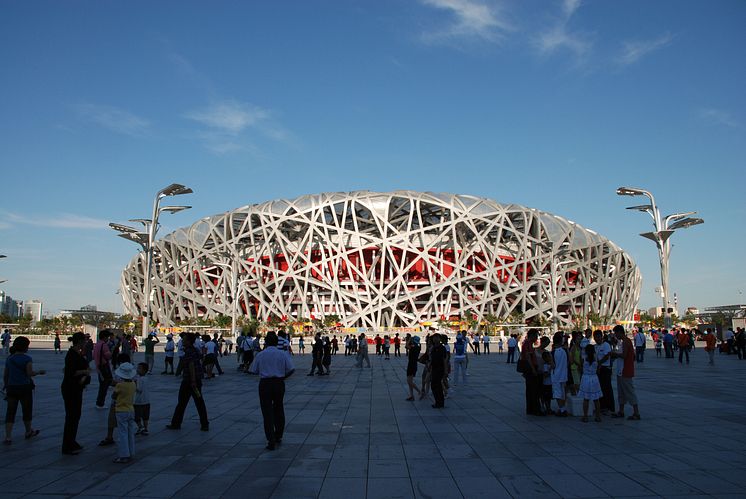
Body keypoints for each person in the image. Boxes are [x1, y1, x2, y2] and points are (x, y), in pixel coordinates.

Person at [248, 331, 295, 450]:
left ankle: (271, 439)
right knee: (279, 408)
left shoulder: (261, 355)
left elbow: (253, 370)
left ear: (266, 342)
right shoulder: (282, 354)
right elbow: (291, 369)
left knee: (267, 412)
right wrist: (283, 377)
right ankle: (278, 435)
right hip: (279, 383)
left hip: (265, 384)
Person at [3, 336, 45, 444]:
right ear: (25, 347)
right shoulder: (27, 359)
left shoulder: (10, 358)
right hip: (24, 388)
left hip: (12, 387)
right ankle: (28, 431)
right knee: (26, 410)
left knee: (10, 412)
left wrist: (6, 385)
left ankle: (8, 436)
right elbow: (29, 373)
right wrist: (39, 372)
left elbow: (6, 374)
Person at [166, 333, 209, 431]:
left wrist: (193, 380)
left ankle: (176, 423)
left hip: (189, 381)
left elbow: (191, 366)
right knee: (199, 402)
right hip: (196, 380)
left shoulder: (189, 351)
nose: (182, 341)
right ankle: (204, 424)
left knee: (182, 402)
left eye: (184, 340)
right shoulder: (195, 350)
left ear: (189, 341)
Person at [61, 332, 91, 455]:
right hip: (71, 388)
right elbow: (70, 372)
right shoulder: (72, 355)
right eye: (84, 340)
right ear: (79, 341)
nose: (86, 342)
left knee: (75, 416)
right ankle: (67, 445)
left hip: (76, 388)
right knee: (72, 416)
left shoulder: (77, 353)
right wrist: (85, 371)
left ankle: (72, 441)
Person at [611, 325, 641, 420]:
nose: (616, 335)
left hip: (625, 371)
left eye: (616, 333)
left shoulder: (626, 342)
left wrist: (614, 354)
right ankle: (621, 411)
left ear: (620, 332)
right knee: (621, 392)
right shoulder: (623, 342)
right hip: (621, 370)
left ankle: (636, 413)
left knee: (629, 391)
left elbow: (624, 355)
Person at [111, 362, 137, 463]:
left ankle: (123, 455)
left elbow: (114, 396)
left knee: (122, 433)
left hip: (121, 410)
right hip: (131, 409)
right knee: (130, 432)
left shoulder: (120, 385)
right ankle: (131, 452)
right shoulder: (133, 384)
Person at [520, 329, 542, 416]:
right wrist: (533, 369)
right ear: (532, 335)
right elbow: (528, 358)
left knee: (530, 389)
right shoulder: (528, 344)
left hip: (529, 368)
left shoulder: (527, 343)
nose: (537, 337)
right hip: (530, 368)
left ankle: (530, 409)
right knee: (534, 390)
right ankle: (535, 409)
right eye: (536, 335)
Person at [579, 344, 602, 422]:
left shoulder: (584, 358)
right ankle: (598, 416)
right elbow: (599, 368)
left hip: (585, 378)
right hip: (594, 377)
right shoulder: (596, 357)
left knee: (586, 399)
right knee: (596, 399)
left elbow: (581, 367)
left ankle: (585, 416)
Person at [593, 330, 614, 415]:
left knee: (607, 388)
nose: (597, 339)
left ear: (601, 337)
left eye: (598, 337)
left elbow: (607, 355)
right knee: (599, 388)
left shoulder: (606, 345)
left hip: (605, 368)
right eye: (595, 337)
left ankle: (610, 407)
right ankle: (602, 406)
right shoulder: (595, 347)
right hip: (598, 369)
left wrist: (600, 363)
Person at [93, 330, 113, 409]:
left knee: (102, 385)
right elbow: (108, 356)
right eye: (107, 337)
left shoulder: (97, 344)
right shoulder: (104, 345)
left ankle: (99, 402)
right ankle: (100, 403)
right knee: (104, 386)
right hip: (104, 366)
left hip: (99, 366)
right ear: (104, 337)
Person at [551, 331, 569, 417]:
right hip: (564, 375)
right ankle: (563, 408)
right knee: (563, 392)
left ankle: (561, 409)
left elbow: (552, 365)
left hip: (556, 375)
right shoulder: (565, 351)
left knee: (557, 393)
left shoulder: (553, 352)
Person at [429, 334, 447, 408]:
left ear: (440, 339)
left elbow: (444, 360)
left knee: (437, 385)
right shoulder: (433, 348)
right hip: (434, 368)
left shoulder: (442, 348)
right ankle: (438, 402)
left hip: (440, 368)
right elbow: (431, 358)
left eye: (437, 338)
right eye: (434, 338)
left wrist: (445, 371)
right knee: (434, 385)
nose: (435, 339)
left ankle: (440, 402)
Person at [134, 363, 151, 436]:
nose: (137, 369)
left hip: (138, 401)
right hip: (146, 401)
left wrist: (134, 384)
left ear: (144, 371)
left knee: (136, 416)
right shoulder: (146, 378)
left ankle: (140, 427)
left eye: (139, 368)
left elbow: (139, 389)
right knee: (145, 417)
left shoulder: (139, 379)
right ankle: (146, 428)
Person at [405, 336, 422, 401]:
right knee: (410, 381)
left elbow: (406, 346)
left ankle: (419, 391)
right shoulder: (418, 347)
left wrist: (409, 339)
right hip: (413, 364)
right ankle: (412, 396)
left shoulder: (414, 347)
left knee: (409, 381)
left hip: (411, 365)